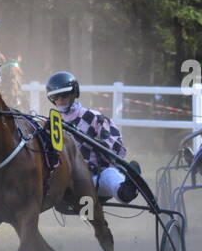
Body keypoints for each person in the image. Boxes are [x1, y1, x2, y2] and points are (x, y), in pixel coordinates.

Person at [45, 70, 140, 203]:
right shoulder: (51, 124)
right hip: (66, 180)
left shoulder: (94, 117)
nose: (60, 101)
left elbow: (116, 146)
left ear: (74, 93)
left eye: (64, 95)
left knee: (109, 175)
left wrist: (100, 147)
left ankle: (125, 190)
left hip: (94, 176)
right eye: (55, 97)